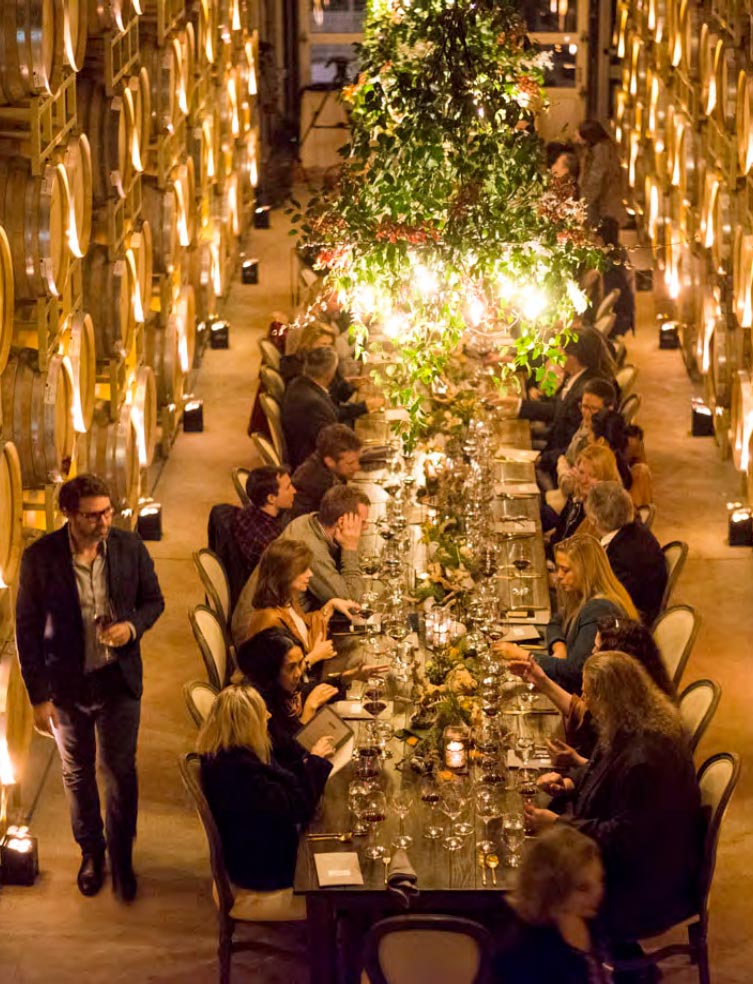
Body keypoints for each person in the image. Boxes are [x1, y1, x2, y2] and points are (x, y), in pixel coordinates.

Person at [15, 474, 165, 901]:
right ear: (68, 514)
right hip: (67, 685)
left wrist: (131, 628)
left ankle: (121, 857)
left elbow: (154, 600)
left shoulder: (128, 546)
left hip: (117, 679)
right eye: (92, 515)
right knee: (77, 773)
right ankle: (91, 853)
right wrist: (38, 696)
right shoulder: (40, 558)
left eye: (107, 512)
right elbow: (25, 630)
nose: (103, 523)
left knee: (120, 772)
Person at [527, 652, 704, 947]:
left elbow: (623, 839)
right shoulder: (633, 726)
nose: (583, 700)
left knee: (535, 884)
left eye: (587, 693)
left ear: (609, 698)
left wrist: (560, 824)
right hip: (635, 862)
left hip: (641, 889)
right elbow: (603, 770)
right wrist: (570, 782)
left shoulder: (646, 759)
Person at [198, 684, 333, 899]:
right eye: (263, 713)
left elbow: (281, 783)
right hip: (264, 867)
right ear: (246, 724)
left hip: (261, 847)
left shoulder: (231, 752)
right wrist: (314, 763)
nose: (269, 716)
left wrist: (308, 763)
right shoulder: (238, 771)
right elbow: (298, 808)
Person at [506, 614, 676, 758]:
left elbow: (610, 777)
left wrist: (577, 766)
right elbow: (584, 714)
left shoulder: (639, 733)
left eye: (596, 648)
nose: (591, 653)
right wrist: (541, 680)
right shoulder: (632, 698)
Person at [497, 535, 638, 693]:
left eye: (566, 570)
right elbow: (556, 620)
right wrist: (559, 647)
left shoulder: (599, 608)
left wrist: (523, 655)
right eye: (558, 568)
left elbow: (577, 671)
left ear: (586, 571)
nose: (559, 576)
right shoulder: (580, 595)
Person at [232, 486, 370, 636]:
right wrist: (350, 547)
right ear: (342, 522)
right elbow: (352, 601)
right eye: (362, 522)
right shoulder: (311, 547)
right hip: (264, 636)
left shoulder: (309, 521)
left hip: (294, 619)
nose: (366, 527)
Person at [492, 826, 611, 984]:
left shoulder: (585, 917)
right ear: (552, 889)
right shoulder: (524, 953)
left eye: (600, 880)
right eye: (583, 888)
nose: (599, 892)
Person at [516, 328, 616, 486]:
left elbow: (571, 446)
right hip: (553, 450)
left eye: (561, 352)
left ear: (574, 357)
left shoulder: (587, 392)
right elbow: (557, 408)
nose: (556, 356)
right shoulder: (577, 377)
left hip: (562, 468)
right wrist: (517, 405)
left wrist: (541, 459)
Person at [231, 538, 360, 651]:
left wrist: (331, 604)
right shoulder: (269, 619)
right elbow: (279, 673)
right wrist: (313, 658)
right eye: (303, 570)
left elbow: (301, 627)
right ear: (285, 574)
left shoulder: (289, 599)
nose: (310, 574)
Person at [235, 628, 340, 746]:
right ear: (271, 671)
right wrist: (309, 710)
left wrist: (346, 678)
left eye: (300, 663)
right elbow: (290, 755)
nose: (298, 673)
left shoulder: (280, 687)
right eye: (291, 667)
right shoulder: (256, 704)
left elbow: (310, 690)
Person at [585, 482, 667, 625]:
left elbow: (609, 603)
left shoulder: (620, 557)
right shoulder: (635, 530)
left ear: (594, 520)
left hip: (629, 625)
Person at [548, 444, 623, 546]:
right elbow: (559, 534)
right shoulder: (578, 498)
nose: (583, 480)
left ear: (606, 479)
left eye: (593, 476)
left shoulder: (604, 516)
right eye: (582, 472)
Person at [232, 465, 296, 578]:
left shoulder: (244, 513)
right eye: (288, 487)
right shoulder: (271, 542)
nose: (294, 491)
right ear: (271, 498)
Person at [281, 346, 340, 469]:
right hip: (311, 468)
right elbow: (331, 447)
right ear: (330, 375)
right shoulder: (314, 405)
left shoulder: (297, 383)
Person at [290, 423, 363, 519]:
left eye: (358, 460)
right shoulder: (314, 482)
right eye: (350, 463)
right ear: (330, 461)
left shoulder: (326, 464)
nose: (357, 467)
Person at [576, 120, 629, 228]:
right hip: (601, 201)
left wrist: (584, 203)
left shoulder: (601, 150)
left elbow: (596, 178)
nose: (576, 137)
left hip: (603, 203)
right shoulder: (595, 149)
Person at [590, 409, 633, 490]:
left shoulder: (599, 474)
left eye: (590, 433)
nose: (588, 438)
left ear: (601, 441)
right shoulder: (621, 464)